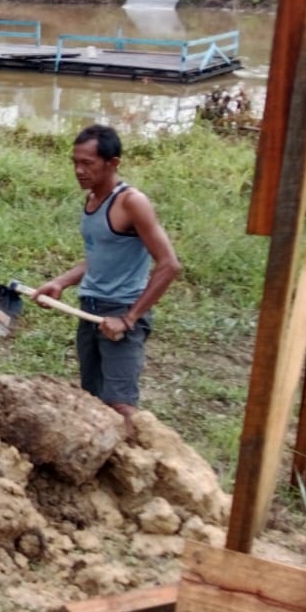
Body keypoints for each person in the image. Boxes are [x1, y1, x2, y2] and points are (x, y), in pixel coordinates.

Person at [33, 124, 181, 434]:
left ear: (112, 163)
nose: (79, 170)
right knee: (93, 397)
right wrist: (61, 282)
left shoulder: (131, 203)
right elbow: (99, 257)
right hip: (90, 307)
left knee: (120, 403)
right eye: (75, 162)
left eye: (88, 163)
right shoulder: (91, 200)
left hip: (121, 309)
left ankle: (135, 467)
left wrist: (129, 319)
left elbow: (169, 265)